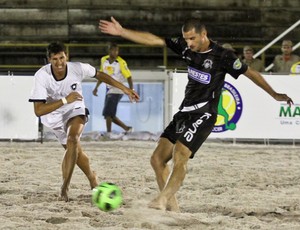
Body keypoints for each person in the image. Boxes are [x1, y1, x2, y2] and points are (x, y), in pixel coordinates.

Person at [99, 17, 293, 212]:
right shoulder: (185, 46)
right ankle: (173, 209)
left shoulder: (222, 55)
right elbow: (155, 40)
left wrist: (274, 94)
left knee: (180, 154)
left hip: (205, 113)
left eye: (192, 38)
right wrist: (123, 32)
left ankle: (162, 199)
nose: (188, 43)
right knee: (157, 160)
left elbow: (250, 73)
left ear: (203, 34)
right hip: (184, 112)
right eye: (186, 39)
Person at [28, 41, 139, 202]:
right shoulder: (41, 76)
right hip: (54, 115)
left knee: (73, 139)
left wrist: (125, 89)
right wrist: (65, 100)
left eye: (62, 58)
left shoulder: (78, 68)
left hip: (75, 108)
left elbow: (100, 75)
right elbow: (38, 110)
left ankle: (64, 187)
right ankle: (92, 177)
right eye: (54, 59)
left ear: (67, 56)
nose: (59, 63)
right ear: (48, 60)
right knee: (75, 151)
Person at [93, 43, 133, 137]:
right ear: (109, 50)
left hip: (118, 89)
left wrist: (131, 90)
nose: (115, 52)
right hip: (109, 90)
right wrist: (96, 88)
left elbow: (129, 77)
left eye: (117, 50)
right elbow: (102, 75)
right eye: (113, 50)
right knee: (110, 114)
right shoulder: (104, 60)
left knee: (107, 114)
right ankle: (127, 128)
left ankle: (109, 133)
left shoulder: (121, 62)